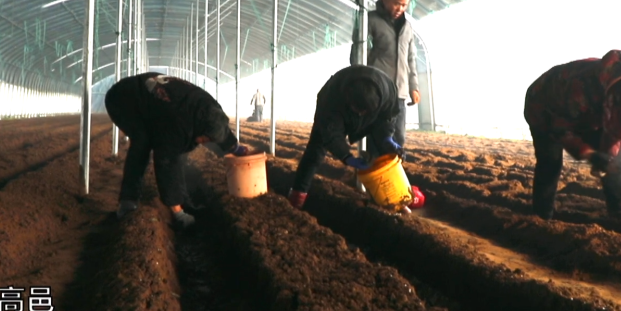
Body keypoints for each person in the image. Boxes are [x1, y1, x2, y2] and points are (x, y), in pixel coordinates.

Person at [105, 72, 255, 230]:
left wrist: (236, 148)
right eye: (204, 138)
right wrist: (178, 212)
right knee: (143, 143)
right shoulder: (177, 122)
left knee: (171, 147)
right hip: (124, 99)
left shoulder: (211, 110)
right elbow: (166, 161)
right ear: (199, 127)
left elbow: (220, 130)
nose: (204, 142)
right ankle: (128, 201)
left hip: (155, 100)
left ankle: (184, 202)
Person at [524, 50, 621, 223]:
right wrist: (589, 154)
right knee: (550, 161)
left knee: (614, 161)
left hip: (592, 109)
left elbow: (615, 130)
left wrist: (607, 155)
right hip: (544, 106)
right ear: (618, 96)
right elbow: (562, 130)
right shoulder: (579, 88)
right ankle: (541, 216)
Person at [287, 65, 403, 210]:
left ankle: (392, 199)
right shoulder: (331, 100)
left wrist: (387, 137)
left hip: (373, 114)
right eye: (357, 110)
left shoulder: (388, 91)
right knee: (315, 151)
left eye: (363, 111)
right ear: (349, 100)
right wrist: (347, 157)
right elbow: (331, 134)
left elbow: (388, 116)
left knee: (382, 151)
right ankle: (297, 195)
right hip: (336, 110)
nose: (359, 114)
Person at [350, 0, 420, 160]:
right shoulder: (370, 20)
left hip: (400, 93)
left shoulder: (408, 27)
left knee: (399, 138)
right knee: (377, 138)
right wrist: (362, 84)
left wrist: (414, 87)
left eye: (404, 5)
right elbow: (358, 51)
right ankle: (374, 177)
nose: (400, 8)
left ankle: (393, 181)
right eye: (397, 3)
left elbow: (411, 59)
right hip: (377, 92)